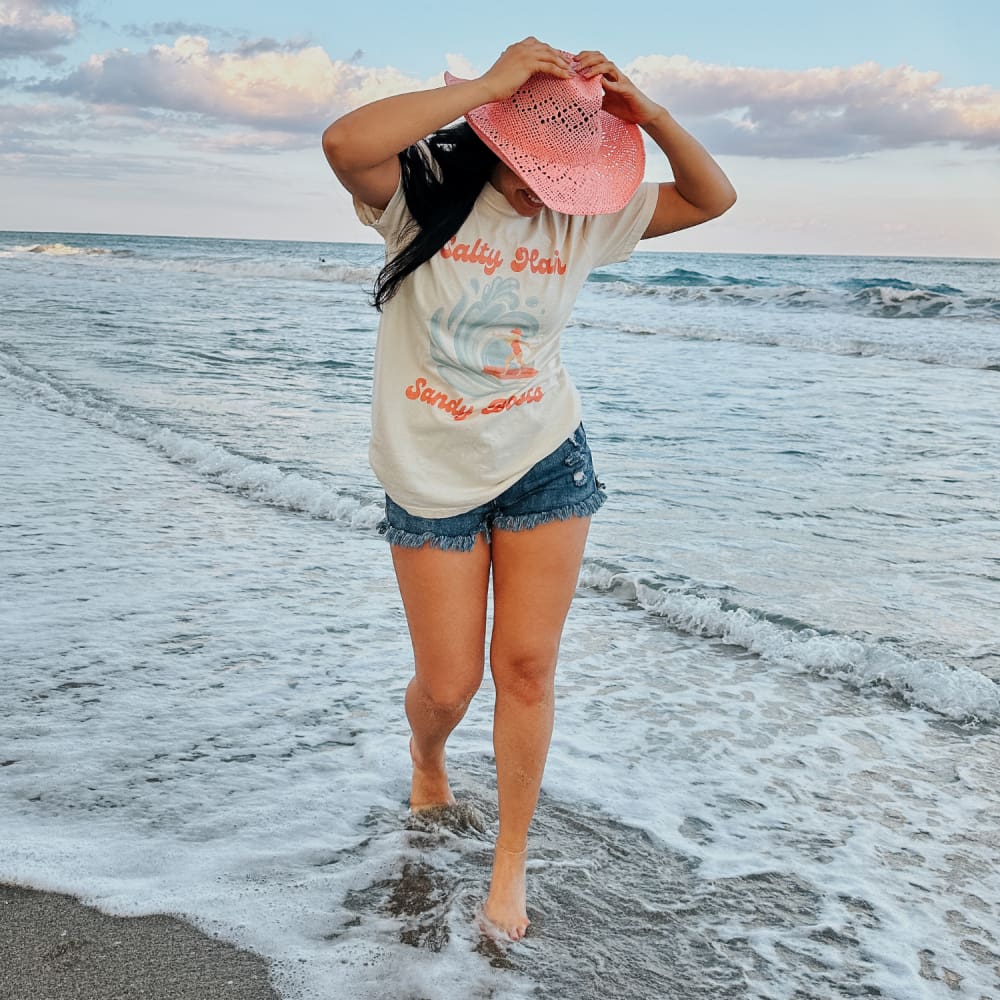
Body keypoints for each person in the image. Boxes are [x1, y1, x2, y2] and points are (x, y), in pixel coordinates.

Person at [322, 37, 736, 943]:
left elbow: (713, 198)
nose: (546, 194)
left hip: (546, 458)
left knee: (526, 669)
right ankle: (428, 757)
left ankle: (510, 864)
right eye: (534, 172)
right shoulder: (422, 194)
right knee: (449, 684)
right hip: (429, 471)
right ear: (497, 141)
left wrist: (651, 114)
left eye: (563, 178)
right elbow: (345, 142)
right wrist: (490, 85)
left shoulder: (585, 219)